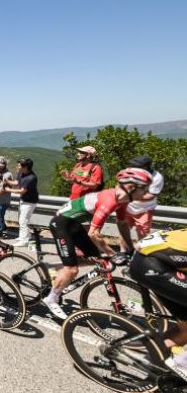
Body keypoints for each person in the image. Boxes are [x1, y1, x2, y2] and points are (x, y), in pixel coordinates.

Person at [42, 168, 152, 319]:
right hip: (61, 223)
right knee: (72, 270)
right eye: (144, 188)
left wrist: (129, 251)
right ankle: (51, 298)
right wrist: (113, 254)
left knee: (95, 258)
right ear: (130, 188)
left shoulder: (123, 201)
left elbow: (122, 224)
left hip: (74, 224)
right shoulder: (110, 200)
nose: (148, 193)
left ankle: (54, 267)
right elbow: (93, 234)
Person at [129, 228, 187, 380]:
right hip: (152, 264)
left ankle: (153, 359)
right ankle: (182, 366)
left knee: (186, 327)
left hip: (157, 258)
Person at [2, 157, 39, 247]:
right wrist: (7, 181)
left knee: (23, 221)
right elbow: (16, 182)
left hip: (30, 202)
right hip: (23, 200)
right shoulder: (21, 173)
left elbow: (22, 190)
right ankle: (24, 236)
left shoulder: (31, 178)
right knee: (21, 219)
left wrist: (8, 189)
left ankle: (24, 241)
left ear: (25, 167)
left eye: (19, 165)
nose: (17, 167)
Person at [125, 156, 164, 239]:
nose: (133, 167)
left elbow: (150, 196)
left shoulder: (157, 177)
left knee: (143, 234)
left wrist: (131, 197)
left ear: (145, 167)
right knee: (124, 232)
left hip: (145, 209)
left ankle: (142, 252)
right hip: (128, 207)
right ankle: (124, 251)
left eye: (136, 166)